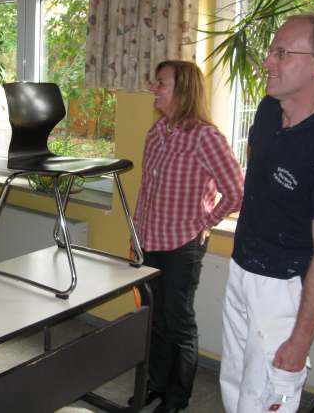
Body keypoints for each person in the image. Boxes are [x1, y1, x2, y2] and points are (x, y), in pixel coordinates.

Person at [220, 13, 314, 413]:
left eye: (282, 53)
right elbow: (258, 181)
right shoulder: (266, 110)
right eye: (271, 51)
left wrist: (300, 341)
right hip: (242, 268)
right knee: (234, 385)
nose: (267, 62)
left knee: (264, 399)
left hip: (283, 289)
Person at [133, 60, 244, 413]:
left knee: (178, 322)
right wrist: (136, 234)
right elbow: (146, 190)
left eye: (161, 82)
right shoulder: (157, 132)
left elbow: (236, 191)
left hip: (182, 245)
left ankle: (176, 398)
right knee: (153, 317)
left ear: (182, 90)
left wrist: (203, 222)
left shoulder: (205, 137)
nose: (154, 88)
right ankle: (156, 383)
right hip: (149, 241)